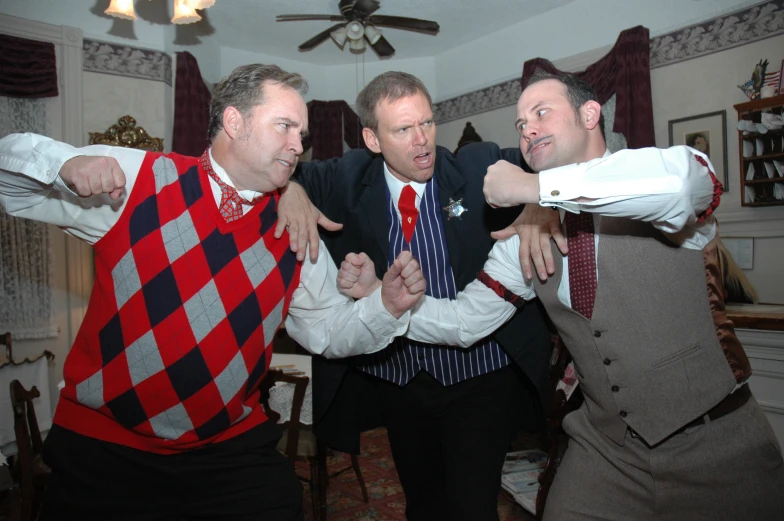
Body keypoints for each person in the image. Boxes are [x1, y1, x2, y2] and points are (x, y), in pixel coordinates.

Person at [340, 70, 784, 520]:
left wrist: (535, 189)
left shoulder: (664, 192)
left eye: (541, 112)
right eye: (519, 123)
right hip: (606, 453)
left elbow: (686, 183)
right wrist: (384, 298)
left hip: (715, 442)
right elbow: (463, 321)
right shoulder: (528, 238)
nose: (527, 128)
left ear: (590, 114)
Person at [0, 64, 427, 521]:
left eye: (302, 133)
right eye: (284, 126)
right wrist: (63, 163)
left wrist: (384, 306)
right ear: (233, 122)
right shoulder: (142, 178)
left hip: (227, 450)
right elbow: (12, 183)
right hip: (107, 446)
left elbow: (325, 329)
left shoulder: (296, 230)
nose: (298, 145)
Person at [283, 71, 552, 521]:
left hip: (480, 377)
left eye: (426, 123)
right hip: (402, 380)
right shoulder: (349, 177)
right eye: (403, 130)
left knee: (471, 507)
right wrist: (288, 191)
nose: (422, 141)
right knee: (423, 505)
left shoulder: (475, 165)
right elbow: (272, 169)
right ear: (372, 138)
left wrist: (541, 198)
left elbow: (559, 159)